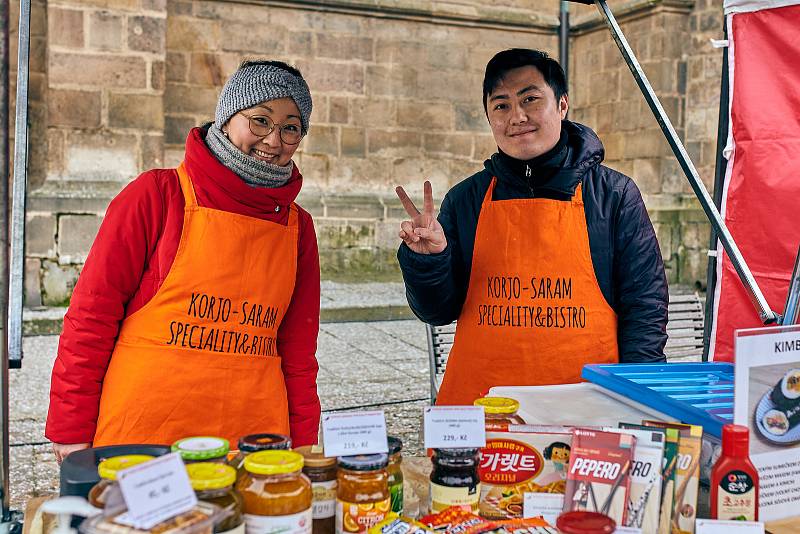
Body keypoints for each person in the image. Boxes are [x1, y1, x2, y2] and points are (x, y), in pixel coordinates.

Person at [46, 60, 321, 462]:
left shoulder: (299, 229)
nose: (274, 140)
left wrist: (304, 444)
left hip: (254, 442)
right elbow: (92, 316)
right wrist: (71, 428)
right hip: (144, 439)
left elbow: (298, 351)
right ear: (228, 118)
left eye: (291, 127)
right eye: (260, 120)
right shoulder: (156, 195)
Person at [396, 49, 668, 406]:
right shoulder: (466, 199)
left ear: (562, 105)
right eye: (502, 105)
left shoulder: (614, 195)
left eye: (530, 99)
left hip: (586, 411)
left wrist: (638, 406)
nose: (517, 116)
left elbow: (645, 308)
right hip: (484, 410)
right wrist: (428, 261)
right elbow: (436, 311)